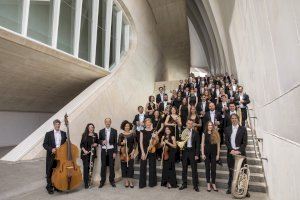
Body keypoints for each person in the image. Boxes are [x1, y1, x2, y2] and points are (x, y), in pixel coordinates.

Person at [224, 114, 250, 197]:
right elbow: (227, 141)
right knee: (231, 171)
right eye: (232, 118)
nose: (234, 120)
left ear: (238, 119)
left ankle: (245, 190)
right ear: (231, 120)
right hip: (231, 152)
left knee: (243, 172)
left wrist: (238, 151)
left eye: (235, 118)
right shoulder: (227, 129)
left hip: (240, 153)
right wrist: (231, 150)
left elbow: (244, 143)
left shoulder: (243, 129)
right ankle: (230, 187)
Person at [43, 119, 67, 194]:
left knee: (58, 171)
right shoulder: (48, 134)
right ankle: (49, 186)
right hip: (51, 155)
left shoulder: (64, 133)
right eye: (56, 124)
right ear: (54, 125)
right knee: (49, 171)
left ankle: (57, 186)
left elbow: (66, 144)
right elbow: (44, 144)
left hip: (60, 156)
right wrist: (51, 149)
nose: (58, 125)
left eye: (59, 124)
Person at [179, 119, 200, 192]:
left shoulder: (196, 133)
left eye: (191, 123)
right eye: (188, 123)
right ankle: (184, 184)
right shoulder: (183, 131)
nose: (190, 125)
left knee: (194, 169)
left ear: (193, 124)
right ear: (186, 124)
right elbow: (181, 142)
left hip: (192, 152)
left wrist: (197, 154)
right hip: (185, 152)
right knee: (184, 169)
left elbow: (197, 145)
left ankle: (195, 185)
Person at [201, 121, 220, 192]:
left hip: (214, 154)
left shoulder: (216, 133)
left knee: (213, 169)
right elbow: (202, 144)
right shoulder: (204, 134)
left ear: (213, 126)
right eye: (209, 125)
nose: (210, 127)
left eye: (211, 125)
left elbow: (218, 145)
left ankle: (213, 183)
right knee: (207, 168)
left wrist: (218, 154)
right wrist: (202, 154)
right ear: (207, 126)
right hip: (206, 153)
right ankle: (208, 183)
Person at [98, 118, 118, 188]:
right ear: (104, 122)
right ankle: (102, 181)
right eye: (106, 122)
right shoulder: (101, 131)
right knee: (103, 166)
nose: (108, 123)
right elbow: (99, 140)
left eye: (109, 122)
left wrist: (115, 152)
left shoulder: (114, 131)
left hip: (111, 150)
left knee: (111, 166)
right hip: (104, 150)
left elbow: (115, 142)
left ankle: (112, 181)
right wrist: (102, 142)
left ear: (111, 122)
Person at [139, 118, 158, 188]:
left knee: (152, 166)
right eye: (146, 122)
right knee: (143, 166)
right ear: (144, 123)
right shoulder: (142, 131)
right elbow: (140, 142)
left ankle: (152, 183)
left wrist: (155, 137)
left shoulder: (154, 131)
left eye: (149, 122)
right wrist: (143, 152)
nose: (148, 123)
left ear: (151, 123)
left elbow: (157, 141)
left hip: (152, 148)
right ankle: (142, 184)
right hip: (144, 149)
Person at [118, 120, 137, 188]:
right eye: (126, 126)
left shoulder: (133, 134)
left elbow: (135, 144)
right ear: (124, 127)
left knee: (131, 167)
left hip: (130, 153)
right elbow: (118, 143)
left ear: (130, 127)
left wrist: (133, 152)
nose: (127, 127)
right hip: (123, 153)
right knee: (124, 167)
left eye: (128, 126)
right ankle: (126, 181)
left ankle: (131, 181)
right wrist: (122, 143)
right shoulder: (121, 135)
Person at [80, 123, 98, 188]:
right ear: (88, 128)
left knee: (91, 168)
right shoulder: (84, 134)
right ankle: (86, 183)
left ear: (93, 128)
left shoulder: (95, 135)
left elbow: (97, 142)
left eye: (92, 127)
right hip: (85, 154)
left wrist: (96, 144)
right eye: (90, 127)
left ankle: (89, 181)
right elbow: (81, 144)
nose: (91, 128)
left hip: (92, 154)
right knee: (86, 168)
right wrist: (84, 150)